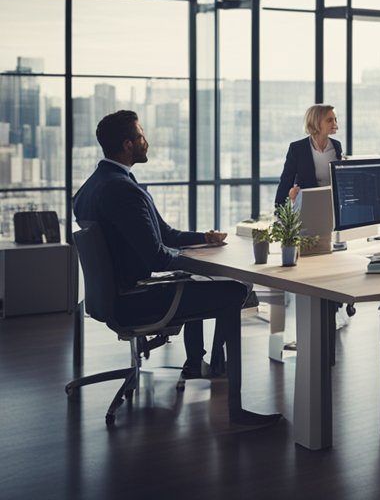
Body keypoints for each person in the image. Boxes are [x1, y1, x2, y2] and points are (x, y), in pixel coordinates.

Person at [72, 110, 280, 428]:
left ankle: (196, 364)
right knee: (234, 290)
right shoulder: (123, 190)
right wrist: (186, 257)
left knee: (195, 278)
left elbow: (164, 236)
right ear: (128, 144)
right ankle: (236, 411)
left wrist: (204, 240)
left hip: (115, 296)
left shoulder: (93, 187)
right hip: (135, 300)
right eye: (141, 136)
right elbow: (157, 256)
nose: (147, 141)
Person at [277, 104, 343, 207]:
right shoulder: (297, 148)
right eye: (330, 120)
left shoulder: (336, 146)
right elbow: (286, 181)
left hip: (332, 204)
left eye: (335, 119)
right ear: (316, 122)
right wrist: (279, 211)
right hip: (307, 205)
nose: (335, 124)